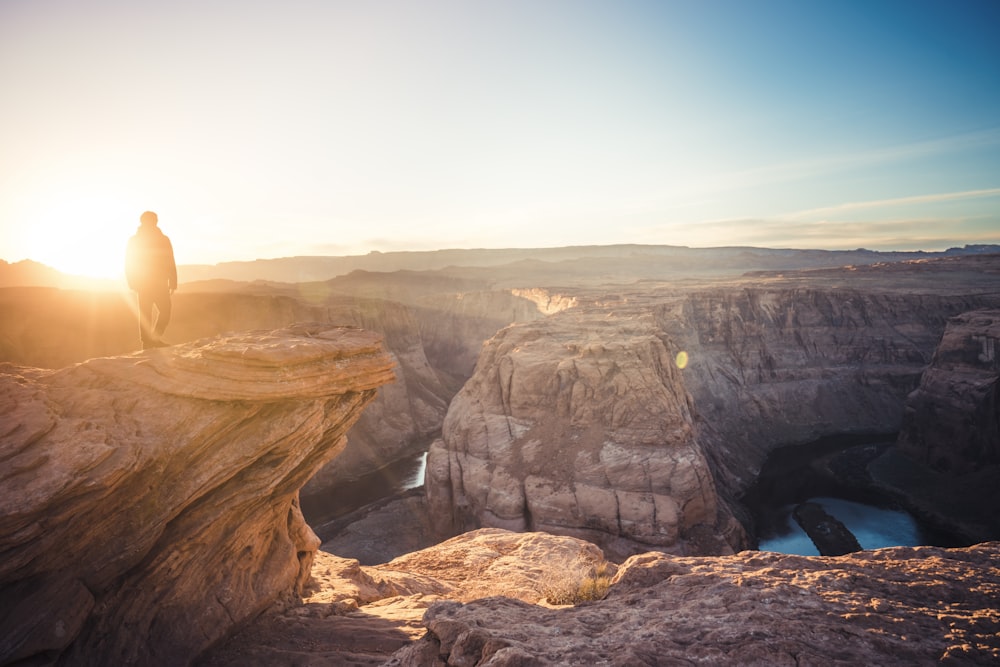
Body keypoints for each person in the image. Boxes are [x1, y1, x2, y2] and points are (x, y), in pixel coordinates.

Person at [125, 211, 177, 350]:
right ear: (142, 222)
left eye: (154, 220)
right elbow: (129, 261)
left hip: (158, 282)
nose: (152, 222)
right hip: (143, 282)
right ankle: (148, 343)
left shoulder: (163, 239)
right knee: (145, 314)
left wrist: (173, 282)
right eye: (150, 220)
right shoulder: (135, 240)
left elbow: (170, 260)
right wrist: (132, 282)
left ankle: (153, 339)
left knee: (165, 311)